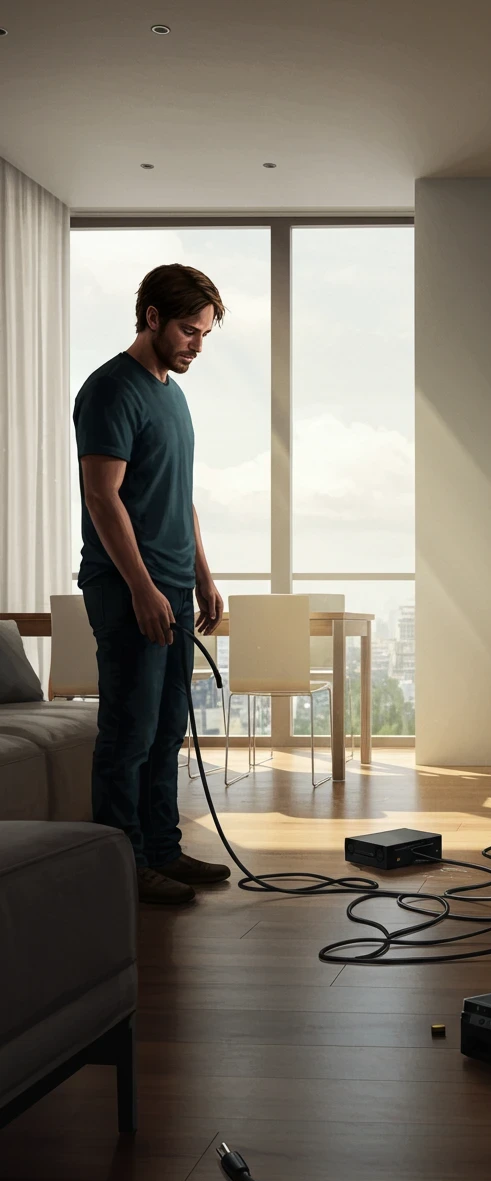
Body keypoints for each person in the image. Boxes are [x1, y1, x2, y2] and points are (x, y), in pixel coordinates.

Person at [74, 263, 231, 905]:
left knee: (168, 729)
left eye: (205, 334)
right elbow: (102, 497)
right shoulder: (112, 390)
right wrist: (141, 587)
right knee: (129, 732)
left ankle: (161, 849)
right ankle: (124, 864)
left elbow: (180, 497)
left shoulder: (174, 393)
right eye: (190, 331)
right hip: (127, 588)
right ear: (151, 319)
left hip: (173, 587)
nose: (197, 344)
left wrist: (203, 576)